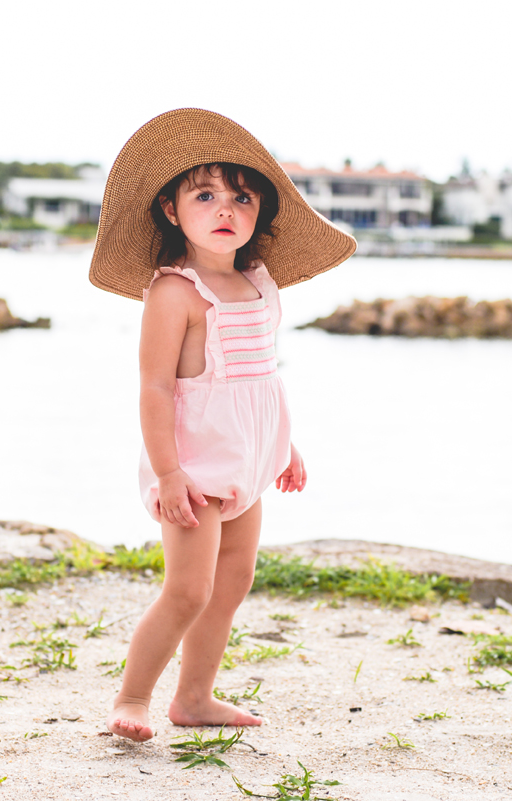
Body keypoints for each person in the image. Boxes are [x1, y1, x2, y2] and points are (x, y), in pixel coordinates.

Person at [88, 109, 355, 742]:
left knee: (233, 582)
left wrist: (282, 446)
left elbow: (258, 377)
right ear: (172, 211)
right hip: (192, 466)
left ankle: (196, 696)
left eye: (241, 195)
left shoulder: (257, 283)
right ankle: (131, 698)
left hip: (249, 461)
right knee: (188, 589)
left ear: (258, 210)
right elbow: (155, 388)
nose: (225, 207)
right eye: (204, 195)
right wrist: (169, 472)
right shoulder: (173, 293)